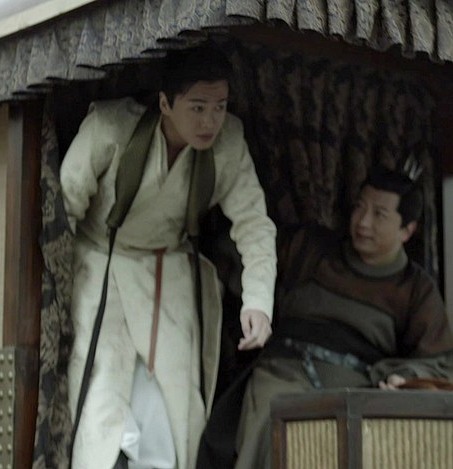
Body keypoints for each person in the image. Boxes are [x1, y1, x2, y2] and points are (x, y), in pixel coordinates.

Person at [60, 44, 276, 469]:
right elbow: (62, 209)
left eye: (219, 107)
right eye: (197, 107)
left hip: (168, 269)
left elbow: (254, 224)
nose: (210, 121)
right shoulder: (109, 129)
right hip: (100, 262)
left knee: (178, 401)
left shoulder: (228, 143)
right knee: (100, 394)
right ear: (165, 103)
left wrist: (258, 301)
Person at [225, 164, 453, 469]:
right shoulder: (311, 248)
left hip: (357, 389)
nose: (363, 222)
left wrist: (405, 377)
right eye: (360, 207)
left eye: (379, 215)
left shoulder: (415, 288)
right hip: (284, 371)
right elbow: (249, 254)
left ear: (407, 230)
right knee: (276, 430)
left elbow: (439, 361)